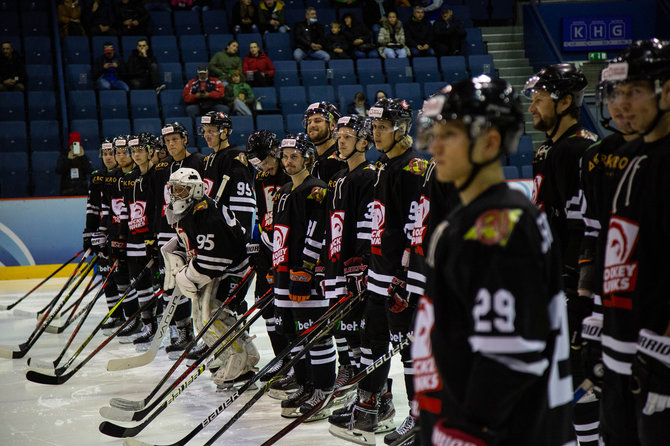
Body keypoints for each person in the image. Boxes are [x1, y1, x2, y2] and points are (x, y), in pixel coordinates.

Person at [412, 75, 574, 446]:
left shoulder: (501, 225)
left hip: (497, 431)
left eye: (449, 134)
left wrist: (466, 430)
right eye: (434, 133)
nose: (435, 146)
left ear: (490, 142)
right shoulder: (466, 219)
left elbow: (512, 352)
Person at [329, 98, 428, 444]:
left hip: (400, 282)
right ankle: (374, 403)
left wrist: (406, 280)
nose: (376, 133)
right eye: (374, 127)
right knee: (373, 342)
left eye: (383, 127)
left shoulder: (413, 169)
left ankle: (421, 418)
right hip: (378, 275)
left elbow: (419, 228)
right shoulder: (385, 166)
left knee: (410, 350)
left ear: (401, 128)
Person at [595, 38, 670, 446]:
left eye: (635, 91)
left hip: (660, 353)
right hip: (622, 343)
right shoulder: (628, 156)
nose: (622, 103)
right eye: (617, 92)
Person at [523, 63, 600, 446]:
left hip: (572, 292)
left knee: (579, 385)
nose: (532, 108)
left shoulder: (579, 150)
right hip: (551, 289)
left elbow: (582, 228)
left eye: (538, 100)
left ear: (565, 101)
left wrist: (574, 290)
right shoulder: (546, 151)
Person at [162, 167, 258, 388]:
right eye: (174, 189)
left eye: (181, 190)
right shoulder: (193, 211)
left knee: (210, 315)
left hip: (233, 270)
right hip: (223, 268)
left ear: (195, 191)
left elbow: (215, 260)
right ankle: (246, 356)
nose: (176, 195)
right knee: (206, 315)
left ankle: (238, 362)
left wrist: (188, 275)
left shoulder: (206, 216)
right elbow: (196, 245)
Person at [269, 133, 335, 420]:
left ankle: (324, 389)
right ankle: (307, 384)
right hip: (285, 274)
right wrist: (276, 266)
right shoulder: (283, 190)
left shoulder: (316, 189)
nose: (288, 161)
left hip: (306, 275)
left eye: (294, 156)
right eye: (285, 157)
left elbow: (318, 231)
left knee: (315, 335)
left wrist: (306, 269)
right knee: (293, 333)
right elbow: (279, 234)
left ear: (307, 158)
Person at [320, 115, 376, 392]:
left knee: (359, 326)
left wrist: (362, 262)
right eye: (339, 137)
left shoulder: (369, 176)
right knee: (338, 322)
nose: (340, 142)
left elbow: (369, 223)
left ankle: (364, 380)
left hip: (355, 264)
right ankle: (349, 367)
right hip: (335, 260)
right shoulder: (338, 177)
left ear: (364, 142)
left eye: (347, 138)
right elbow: (331, 223)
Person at [152, 122, 205, 357]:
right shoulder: (165, 167)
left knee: (197, 286)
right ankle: (184, 333)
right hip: (171, 234)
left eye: (175, 139)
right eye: (167, 141)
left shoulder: (199, 162)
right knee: (173, 285)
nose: (171, 144)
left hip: (193, 234)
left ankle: (203, 334)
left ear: (185, 139)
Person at [246, 130, 292, 384]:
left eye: (264, 159)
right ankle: (282, 359)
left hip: (289, 247)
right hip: (268, 245)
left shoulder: (291, 173)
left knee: (288, 308)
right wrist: (262, 238)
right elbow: (262, 212)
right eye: (256, 161)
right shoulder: (261, 177)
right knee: (265, 304)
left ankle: (297, 362)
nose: (261, 165)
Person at [121, 133, 159, 347]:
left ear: (149, 151)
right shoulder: (129, 179)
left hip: (152, 240)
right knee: (142, 285)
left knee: (160, 285)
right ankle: (149, 326)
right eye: (133, 151)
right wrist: (120, 238)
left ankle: (168, 327)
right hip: (134, 241)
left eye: (140, 150)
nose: (136, 155)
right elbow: (127, 212)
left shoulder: (157, 175)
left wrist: (153, 237)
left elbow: (157, 209)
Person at [83, 138, 123, 330]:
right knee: (106, 274)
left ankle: (127, 314)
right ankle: (114, 315)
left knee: (120, 275)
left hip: (115, 233)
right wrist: (89, 234)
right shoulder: (97, 176)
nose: (108, 158)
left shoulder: (120, 175)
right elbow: (92, 208)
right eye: (105, 154)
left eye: (111, 154)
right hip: (100, 234)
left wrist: (108, 232)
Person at [199, 111, 256, 238]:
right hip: (212, 228)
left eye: (211, 131)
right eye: (205, 131)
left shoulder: (235, 158)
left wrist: (239, 233)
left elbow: (243, 203)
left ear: (224, 132)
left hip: (227, 233)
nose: (207, 135)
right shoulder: (210, 158)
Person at [302, 101, 346, 182]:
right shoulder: (311, 159)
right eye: (309, 122)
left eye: (317, 121)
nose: (311, 125)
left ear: (332, 125)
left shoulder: (342, 158)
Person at [56, 131, 93, 196]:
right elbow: (59, 170)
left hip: (82, 190)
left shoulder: (83, 157)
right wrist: (68, 160)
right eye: (73, 145)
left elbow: (90, 170)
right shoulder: (64, 156)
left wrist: (82, 157)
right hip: (67, 190)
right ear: (70, 146)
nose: (75, 147)